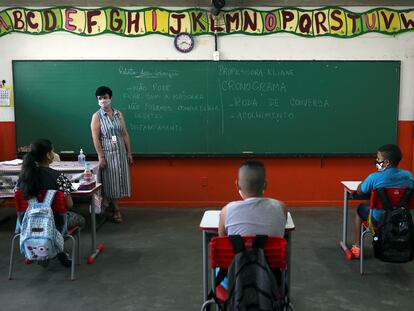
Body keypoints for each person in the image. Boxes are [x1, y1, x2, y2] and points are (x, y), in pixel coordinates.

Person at [16, 138, 85, 267]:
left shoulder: (23, 177)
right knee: (80, 220)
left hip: (28, 225)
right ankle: (57, 249)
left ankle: (43, 250)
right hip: (55, 223)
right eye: (52, 151)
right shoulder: (58, 176)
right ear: (48, 155)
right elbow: (69, 205)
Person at [351, 144, 414, 258]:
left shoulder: (374, 177)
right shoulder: (409, 176)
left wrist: (362, 183)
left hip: (378, 220)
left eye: (378, 159)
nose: (376, 161)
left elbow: (360, 191)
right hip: (401, 219)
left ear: (387, 162)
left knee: (360, 209)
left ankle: (357, 246)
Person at [90, 86, 133, 223]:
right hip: (107, 154)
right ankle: (116, 210)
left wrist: (129, 152)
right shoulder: (96, 116)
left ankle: (110, 208)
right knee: (111, 184)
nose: (103, 100)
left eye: (105, 97)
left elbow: (125, 134)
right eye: (100, 98)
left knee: (120, 183)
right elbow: (95, 138)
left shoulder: (118, 114)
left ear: (110, 98)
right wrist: (101, 156)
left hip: (121, 153)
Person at [219, 159, 287, 237]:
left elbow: (222, 241)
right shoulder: (281, 207)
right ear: (265, 184)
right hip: (272, 250)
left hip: (237, 249)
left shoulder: (226, 211)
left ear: (237, 185)